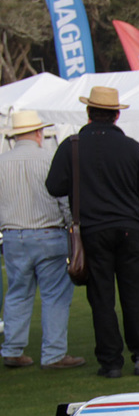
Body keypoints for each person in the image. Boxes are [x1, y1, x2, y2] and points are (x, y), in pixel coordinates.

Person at [45, 85, 139, 378]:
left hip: (93, 231)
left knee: (101, 298)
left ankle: (110, 361)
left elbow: (53, 186)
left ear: (89, 112)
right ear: (116, 115)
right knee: (134, 295)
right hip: (129, 228)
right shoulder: (132, 147)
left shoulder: (73, 146)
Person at [1, 110, 82, 370]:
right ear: (38, 133)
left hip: (13, 235)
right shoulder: (49, 158)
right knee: (55, 295)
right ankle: (54, 353)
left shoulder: (2, 162)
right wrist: (72, 224)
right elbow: (63, 198)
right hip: (49, 233)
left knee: (17, 293)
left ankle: (12, 349)